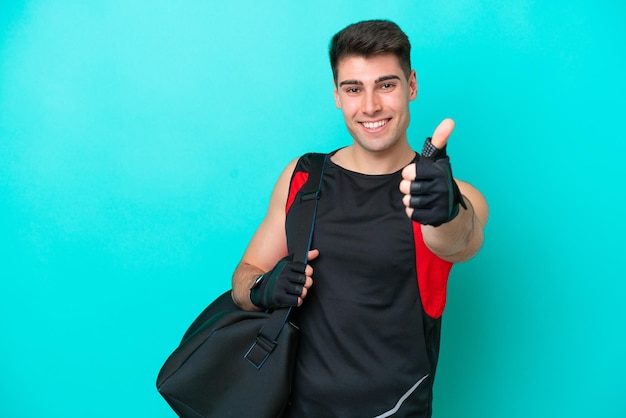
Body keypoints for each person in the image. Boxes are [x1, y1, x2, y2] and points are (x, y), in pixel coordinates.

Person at [231, 19, 488, 417]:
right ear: (337, 95)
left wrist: (445, 213)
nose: (370, 106)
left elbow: (459, 241)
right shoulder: (303, 177)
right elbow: (243, 280)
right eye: (354, 89)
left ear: (412, 86)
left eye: (386, 85)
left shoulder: (454, 196)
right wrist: (265, 286)